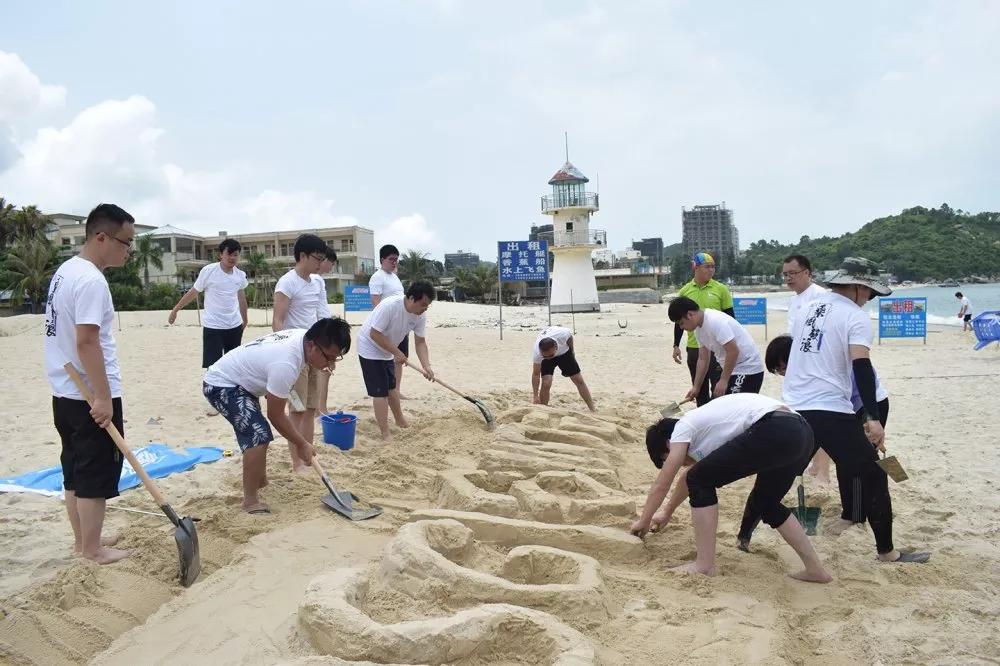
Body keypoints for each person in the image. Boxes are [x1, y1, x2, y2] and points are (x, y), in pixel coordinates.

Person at [782, 257, 928, 563]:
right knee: (875, 475)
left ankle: (743, 536)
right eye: (871, 293)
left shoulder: (809, 307)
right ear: (859, 288)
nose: (870, 299)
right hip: (830, 407)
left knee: (780, 471)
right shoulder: (854, 316)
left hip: (794, 404)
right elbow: (861, 366)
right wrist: (873, 418)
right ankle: (887, 552)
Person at [629, 394, 832, 583]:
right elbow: (686, 477)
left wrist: (644, 520)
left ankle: (704, 565)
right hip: (802, 433)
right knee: (766, 503)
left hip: (774, 427)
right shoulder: (706, 427)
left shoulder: (683, 426)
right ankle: (816, 570)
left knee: (699, 480)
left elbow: (663, 483)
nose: (681, 463)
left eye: (670, 457)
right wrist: (666, 512)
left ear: (668, 443)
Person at [733, 334, 892, 549]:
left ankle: (853, 515)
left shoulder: (830, 363)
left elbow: (863, 390)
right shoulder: (802, 374)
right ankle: (745, 534)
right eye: (778, 372)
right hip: (832, 412)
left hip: (867, 405)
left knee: (856, 467)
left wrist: (869, 421)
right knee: (782, 466)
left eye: (782, 368)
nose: (782, 374)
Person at [44, 203, 136, 564]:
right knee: (94, 473)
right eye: (126, 242)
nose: (129, 250)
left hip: (64, 393)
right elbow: (86, 341)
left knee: (75, 471)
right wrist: (101, 397)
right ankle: (93, 550)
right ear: (101, 237)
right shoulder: (91, 280)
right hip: (88, 394)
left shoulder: (66, 271)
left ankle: (83, 540)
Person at [202, 318, 351, 513]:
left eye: (335, 358)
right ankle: (250, 501)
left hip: (243, 382)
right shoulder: (286, 363)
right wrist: (302, 444)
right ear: (311, 345)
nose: (330, 365)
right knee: (258, 435)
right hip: (222, 384)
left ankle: (260, 482)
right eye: (328, 357)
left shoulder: (302, 339)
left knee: (259, 431)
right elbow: (275, 415)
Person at [272, 234, 334, 472]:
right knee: (296, 410)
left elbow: (322, 315)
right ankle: (297, 462)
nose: (320, 264)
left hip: (316, 353)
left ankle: (309, 457)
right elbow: (278, 321)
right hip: (293, 354)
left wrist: (328, 352)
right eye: (317, 258)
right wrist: (282, 353)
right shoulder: (287, 283)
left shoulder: (318, 282)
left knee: (310, 407)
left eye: (322, 259)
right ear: (303, 256)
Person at [356, 281, 435, 440]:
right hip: (370, 347)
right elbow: (374, 334)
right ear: (412, 298)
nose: (425, 308)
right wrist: (397, 352)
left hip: (387, 348)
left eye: (428, 306)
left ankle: (400, 420)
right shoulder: (390, 306)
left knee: (392, 388)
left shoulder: (420, 314)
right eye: (423, 304)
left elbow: (420, 342)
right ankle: (385, 432)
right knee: (380, 392)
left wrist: (427, 366)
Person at [782, 254, 832, 483]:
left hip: (818, 368)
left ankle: (823, 469)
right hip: (799, 367)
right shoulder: (794, 300)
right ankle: (813, 464)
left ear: (807, 273)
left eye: (793, 273)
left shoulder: (822, 297)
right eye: (785, 274)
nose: (789, 278)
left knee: (820, 417)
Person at [168, 238, 249, 370]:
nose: (232, 258)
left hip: (234, 326)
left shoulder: (240, 275)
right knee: (213, 367)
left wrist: (244, 320)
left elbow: (242, 298)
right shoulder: (208, 271)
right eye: (229, 253)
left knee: (233, 366)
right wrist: (175, 310)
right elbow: (194, 292)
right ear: (221, 254)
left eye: (236, 254)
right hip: (213, 326)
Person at [668, 297, 765, 400]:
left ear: (690, 314)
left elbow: (733, 351)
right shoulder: (698, 330)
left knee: (733, 407)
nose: (681, 327)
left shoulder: (715, 321)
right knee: (720, 405)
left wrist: (723, 380)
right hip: (732, 369)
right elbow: (703, 359)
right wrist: (696, 388)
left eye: (681, 323)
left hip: (748, 368)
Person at [671, 252, 735, 406]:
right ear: (696, 268)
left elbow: (731, 319)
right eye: (707, 267)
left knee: (718, 391)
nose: (711, 270)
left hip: (718, 348)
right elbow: (678, 321)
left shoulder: (721, 289)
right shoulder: (685, 291)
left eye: (713, 267)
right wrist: (676, 345)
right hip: (695, 347)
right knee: (699, 390)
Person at [368, 244, 410, 397]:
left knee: (401, 357)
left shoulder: (395, 277)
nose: (394, 262)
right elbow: (375, 302)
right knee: (387, 358)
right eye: (391, 259)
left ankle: (397, 390)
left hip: (401, 324)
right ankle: (388, 389)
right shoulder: (377, 277)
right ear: (382, 260)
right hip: (386, 325)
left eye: (396, 260)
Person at [530, 326, 596, 411]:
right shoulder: (538, 353)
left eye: (551, 355)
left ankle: (592, 409)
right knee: (546, 383)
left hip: (564, 353)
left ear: (556, 347)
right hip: (546, 356)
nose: (549, 358)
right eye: (545, 356)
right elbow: (535, 374)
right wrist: (535, 396)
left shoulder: (562, 334)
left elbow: (570, 338)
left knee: (578, 380)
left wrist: (572, 351)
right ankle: (544, 409)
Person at [314, 246, 337, 414]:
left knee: (320, 371)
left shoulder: (316, 279)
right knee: (324, 369)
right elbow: (318, 310)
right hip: (318, 331)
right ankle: (320, 409)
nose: (331, 267)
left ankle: (318, 408)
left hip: (321, 328)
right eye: (332, 263)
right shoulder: (315, 279)